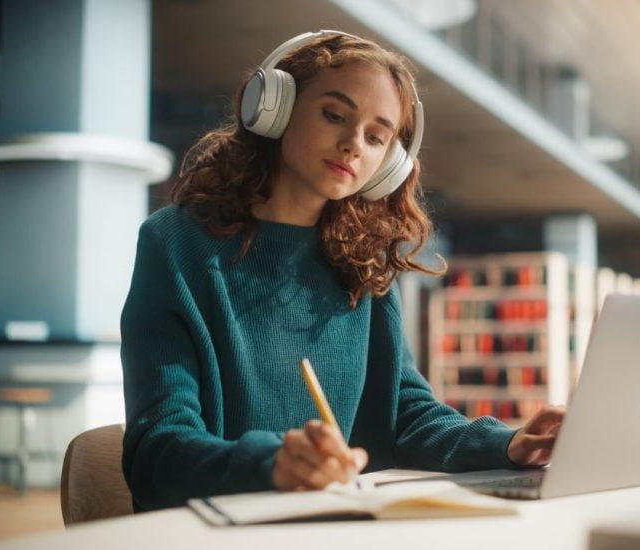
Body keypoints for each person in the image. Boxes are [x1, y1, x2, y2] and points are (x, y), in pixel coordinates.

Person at [120, 30, 564, 512]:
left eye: (376, 136)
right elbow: (158, 446)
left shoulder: (364, 264)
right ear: (276, 108)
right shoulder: (177, 244)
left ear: (388, 163)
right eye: (334, 115)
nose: (353, 145)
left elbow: (407, 414)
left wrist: (507, 444)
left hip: (336, 527)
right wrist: (270, 465)